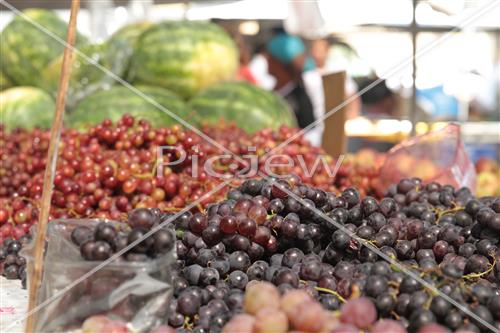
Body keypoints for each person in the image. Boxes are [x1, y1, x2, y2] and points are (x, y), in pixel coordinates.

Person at [263, 32, 325, 146]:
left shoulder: (299, 99)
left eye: (268, 57)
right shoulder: (272, 92)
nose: (265, 60)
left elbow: (311, 134)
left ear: (278, 63)